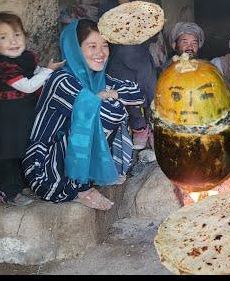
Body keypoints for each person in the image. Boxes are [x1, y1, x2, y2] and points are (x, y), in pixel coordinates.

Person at [23, 20, 144, 211]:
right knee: (98, 115)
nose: (101, 53)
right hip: (45, 166)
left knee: (108, 109)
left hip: (66, 157)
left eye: (105, 45)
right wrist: (108, 98)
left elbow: (137, 94)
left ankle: (91, 174)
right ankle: (78, 187)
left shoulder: (98, 78)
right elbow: (106, 115)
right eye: (92, 46)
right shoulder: (61, 80)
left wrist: (110, 94)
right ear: (75, 49)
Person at [0, 12, 65, 206]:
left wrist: (48, 73)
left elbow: (36, 73)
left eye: (17, 34)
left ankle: (25, 183)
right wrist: (48, 71)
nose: (13, 41)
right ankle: (8, 191)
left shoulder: (27, 56)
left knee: (25, 147)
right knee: (8, 152)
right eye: (3, 37)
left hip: (26, 111)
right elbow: (28, 85)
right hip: (6, 116)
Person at [97, 0, 161, 150]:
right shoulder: (106, 10)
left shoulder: (142, 8)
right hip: (119, 61)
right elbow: (107, 36)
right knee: (128, 91)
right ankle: (139, 128)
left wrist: (156, 26)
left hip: (141, 58)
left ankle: (157, 129)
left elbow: (153, 36)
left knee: (150, 91)